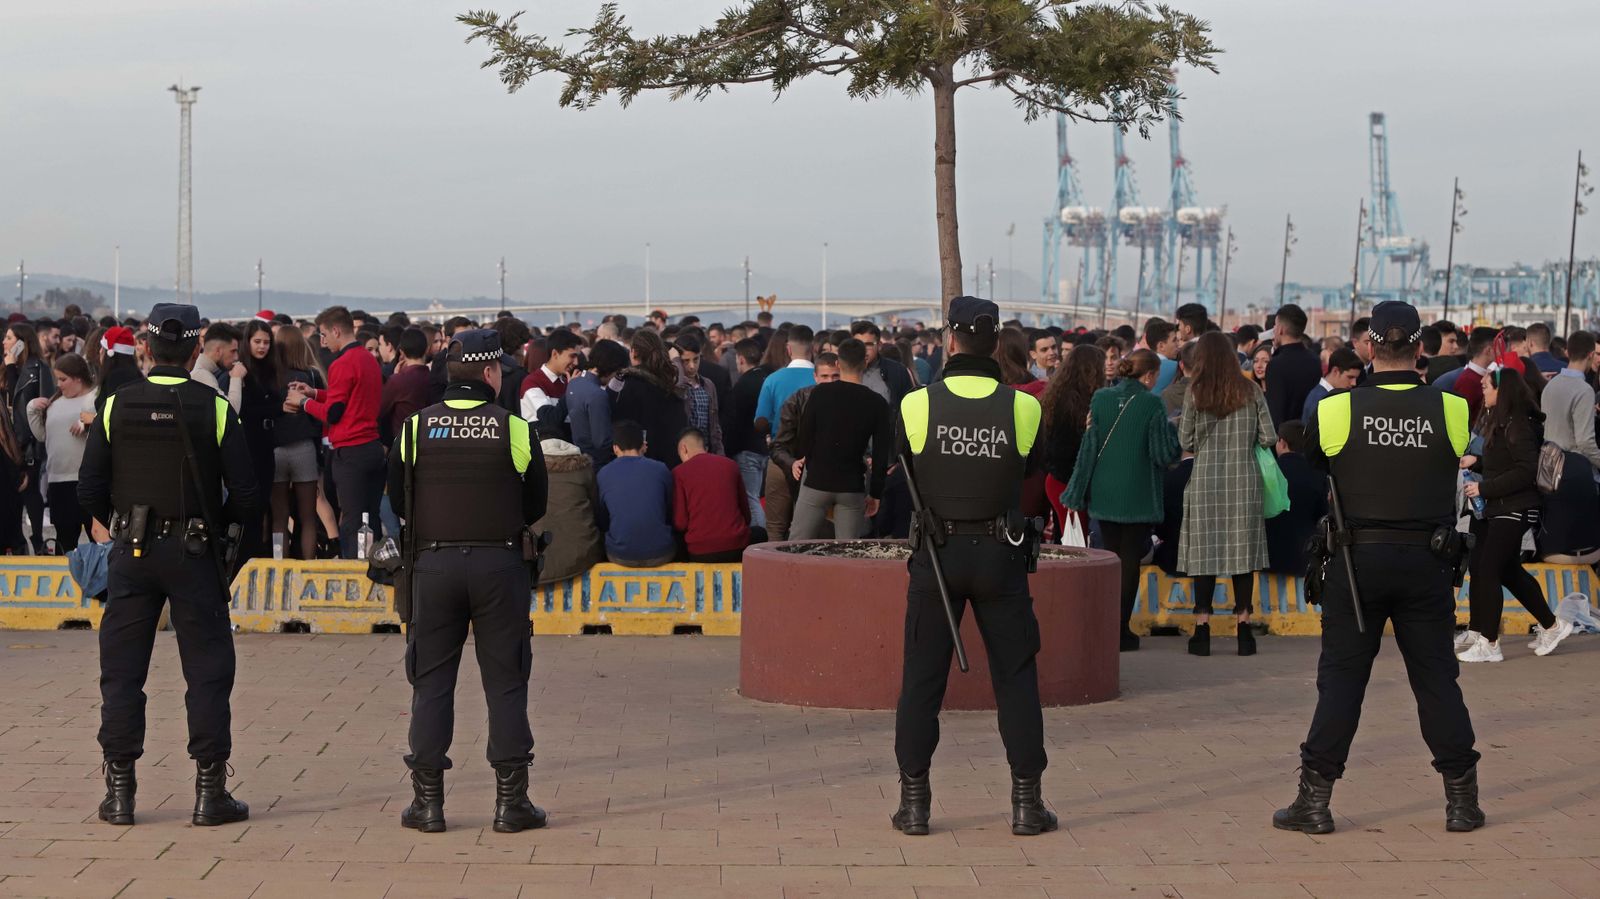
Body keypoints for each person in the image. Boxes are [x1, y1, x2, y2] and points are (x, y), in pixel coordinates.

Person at [1275, 300, 1483, 837]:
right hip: (1427, 561)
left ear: (1369, 346)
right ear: (1420, 347)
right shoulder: (1452, 408)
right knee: (1436, 680)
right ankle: (1462, 802)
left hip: (1356, 562)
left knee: (1342, 682)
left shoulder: (1336, 409)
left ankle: (1314, 802)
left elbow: (1320, 462)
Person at [77, 303, 258, 828]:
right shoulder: (215, 406)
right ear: (197, 347)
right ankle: (209, 792)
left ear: (147, 348)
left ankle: (119, 793)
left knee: (122, 670)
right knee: (207, 670)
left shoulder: (115, 404)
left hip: (131, 552)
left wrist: (120, 522)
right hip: (194, 551)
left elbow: (89, 489)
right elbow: (247, 493)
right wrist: (217, 531)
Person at [890, 296, 1054, 839]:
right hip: (1001, 554)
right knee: (1016, 677)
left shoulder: (916, 404)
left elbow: (904, 465)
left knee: (922, 679)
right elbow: (1030, 467)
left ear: (950, 340)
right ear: (997, 342)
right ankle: (1027, 804)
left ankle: (914, 804)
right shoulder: (1024, 406)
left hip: (936, 556)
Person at [386, 328, 549, 835]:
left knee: (431, 683)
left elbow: (397, 498)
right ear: (490, 373)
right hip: (500, 567)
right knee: (506, 682)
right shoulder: (514, 428)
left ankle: (427, 804)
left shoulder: (415, 428)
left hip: (432, 568)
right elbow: (536, 504)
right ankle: (511, 804)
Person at [1064, 349, 1181, 651]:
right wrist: (1172, 430)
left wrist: (1076, 490)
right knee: (1129, 562)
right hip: (1137, 495)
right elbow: (1163, 454)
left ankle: (1103, 626)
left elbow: (1088, 448)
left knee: (1108, 558)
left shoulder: (1101, 398)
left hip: (1104, 493)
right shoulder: (1152, 403)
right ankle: (1120, 630)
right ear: (1150, 375)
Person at [1457, 364, 1574, 662]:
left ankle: (1489, 643)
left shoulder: (1518, 425)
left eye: (1487, 386)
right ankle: (1552, 625)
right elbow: (1505, 462)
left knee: (1488, 569)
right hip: (1503, 507)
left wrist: (1484, 488)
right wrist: (1476, 462)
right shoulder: (1504, 421)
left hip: (1515, 507)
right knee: (1507, 571)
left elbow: (1525, 470)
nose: (1483, 390)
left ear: (1502, 390)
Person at [1176, 331, 1277, 657]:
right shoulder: (1250, 390)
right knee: (1242, 556)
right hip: (1243, 482)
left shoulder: (1195, 392)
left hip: (1206, 481)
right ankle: (1244, 630)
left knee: (1204, 555)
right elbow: (1269, 436)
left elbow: (1185, 441)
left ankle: (1202, 630)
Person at [284, 306, 386, 559]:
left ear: (336, 331)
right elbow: (349, 398)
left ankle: (353, 569)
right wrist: (315, 393)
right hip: (373, 447)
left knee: (351, 520)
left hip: (350, 451)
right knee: (370, 517)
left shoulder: (342, 364)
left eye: (324, 334)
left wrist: (303, 402)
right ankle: (373, 567)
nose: (323, 340)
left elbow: (333, 414)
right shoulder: (368, 359)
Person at [790, 338, 892, 541]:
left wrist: (808, 459)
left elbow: (805, 436)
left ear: (838, 363)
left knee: (796, 545)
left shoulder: (820, 393)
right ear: (865, 362)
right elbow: (881, 453)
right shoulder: (877, 403)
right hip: (852, 485)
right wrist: (875, 493)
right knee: (847, 549)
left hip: (817, 479)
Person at [26, 354, 97, 553]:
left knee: (97, 538)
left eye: (63, 379)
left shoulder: (94, 397)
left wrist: (89, 422)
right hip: (58, 480)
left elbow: (108, 424)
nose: (59, 384)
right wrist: (32, 409)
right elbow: (43, 435)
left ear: (78, 378)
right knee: (64, 540)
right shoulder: (55, 402)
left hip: (88, 481)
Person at [765, 353, 841, 541]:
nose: (829, 381)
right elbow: (778, 445)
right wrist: (792, 463)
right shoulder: (797, 399)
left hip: (834, 475)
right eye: (824, 376)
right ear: (815, 377)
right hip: (794, 468)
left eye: (835, 376)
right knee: (780, 528)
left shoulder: (851, 399)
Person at [270, 326, 326, 561]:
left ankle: (279, 566)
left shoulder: (270, 377)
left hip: (276, 450)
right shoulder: (311, 376)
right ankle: (308, 566)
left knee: (279, 519)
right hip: (304, 448)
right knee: (308, 517)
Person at [1040, 344, 1105, 540]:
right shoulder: (1077, 405)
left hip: (1058, 481)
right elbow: (1067, 451)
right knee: (1076, 542)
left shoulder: (1056, 397)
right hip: (1070, 485)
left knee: (1067, 537)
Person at [595, 420, 676, 567]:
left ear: (615, 448)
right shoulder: (661, 469)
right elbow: (669, 509)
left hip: (620, 555)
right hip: (661, 553)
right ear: (643, 445)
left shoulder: (603, 474)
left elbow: (603, 518)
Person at [530, 436, 604, 584]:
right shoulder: (584, 471)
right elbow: (597, 511)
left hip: (538, 563)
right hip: (583, 556)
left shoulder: (529, 473)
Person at [5, 323, 52, 553]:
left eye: (9, 338)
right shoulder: (6, 367)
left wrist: (11, 368)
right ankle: (17, 542)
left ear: (22, 343)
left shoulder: (38, 369)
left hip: (29, 444)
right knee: (12, 495)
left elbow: (21, 403)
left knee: (30, 492)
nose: (4, 342)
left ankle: (37, 540)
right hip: (8, 444)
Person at [612, 331, 690, 470]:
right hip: (673, 457)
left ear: (633, 352)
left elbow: (623, 424)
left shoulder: (630, 383)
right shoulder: (670, 380)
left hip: (642, 461)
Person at [673, 427, 752, 562]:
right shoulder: (731, 465)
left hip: (700, 551)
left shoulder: (679, 472)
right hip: (737, 546)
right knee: (760, 533)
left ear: (683, 448)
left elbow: (680, 523)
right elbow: (746, 515)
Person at [1265, 420, 1328, 575]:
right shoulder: (1318, 474)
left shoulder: (1269, 472)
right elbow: (1322, 514)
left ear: (1282, 443)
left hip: (1269, 557)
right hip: (1303, 557)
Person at [1540, 330, 1600, 473]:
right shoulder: (1584, 390)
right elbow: (1585, 443)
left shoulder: (1550, 385)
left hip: (1549, 468)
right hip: (1575, 469)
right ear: (1591, 355)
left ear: (1569, 352)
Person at [727, 338, 771, 529]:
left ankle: (759, 537)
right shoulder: (766, 378)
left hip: (746, 449)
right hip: (763, 447)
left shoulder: (742, 385)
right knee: (757, 497)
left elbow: (734, 421)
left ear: (741, 359)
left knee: (750, 499)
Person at [567, 339, 627, 468]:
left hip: (580, 458)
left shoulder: (574, 383)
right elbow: (602, 441)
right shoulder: (597, 395)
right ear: (611, 367)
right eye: (617, 372)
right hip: (598, 462)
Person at [1264, 304, 1320, 428]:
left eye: (1275, 325)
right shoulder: (1315, 360)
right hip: (1310, 432)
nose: (1274, 329)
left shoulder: (1276, 365)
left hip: (1285, 435)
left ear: (1281, 329)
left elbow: (1275, 412)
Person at [674, 335, 724, 455]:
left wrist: (719, 452)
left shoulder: (708, 385)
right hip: (682, 452)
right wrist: (675, 363)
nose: (692, 366)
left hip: (706, 450)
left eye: (696, 359)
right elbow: (678, 390)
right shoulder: (675, 385)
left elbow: (715, 425)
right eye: (686, 361)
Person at [520, 329, 582, 421]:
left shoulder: (567, 383)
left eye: (577, 357)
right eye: (572, 356)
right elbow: (549, 418)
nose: (576, 362)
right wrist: (570, 392)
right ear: (555, 354)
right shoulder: (532, 382)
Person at [850, 321, 914, 406]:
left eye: (868, 344)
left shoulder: (897, 371)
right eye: (857, 345)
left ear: (879, 345)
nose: (863, 350)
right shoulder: (842, 370)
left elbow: (909, 404)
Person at [1445, 327, 1498, 425]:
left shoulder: (1480, 376)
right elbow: (1460, 419)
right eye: (1498, 347)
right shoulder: (1468, 381)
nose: (1501, 352)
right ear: (1489, 350)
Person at [191, 322, 246, 413]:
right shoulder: (201, 374)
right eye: (233, 351)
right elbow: (230, 412)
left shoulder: (199, 368)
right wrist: (236, 377)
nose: (236, 357)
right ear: (218, 351)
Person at [1301, 347, 1363, 423]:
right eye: (1350, 377)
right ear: (1335, 371)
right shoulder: (1319, 400)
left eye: (1356, 378)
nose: (1354, 383)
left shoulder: (1322, 396)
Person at [94, 327, 144, 411]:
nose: (100, 351)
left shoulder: (116, 377)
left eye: (103, 348)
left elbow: (113, 412)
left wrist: (92, 417)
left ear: (110, 353)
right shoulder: (134, 373)